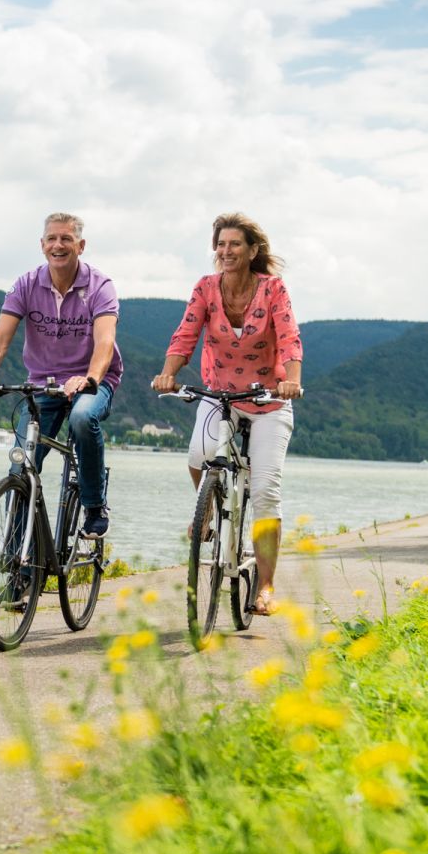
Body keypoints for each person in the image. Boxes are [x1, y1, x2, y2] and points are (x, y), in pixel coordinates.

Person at [151, 212, 303, 615]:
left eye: (235, 244)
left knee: (266, 492)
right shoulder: (205, 288)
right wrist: (168, 373)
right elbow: (185, 334)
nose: (226, 251)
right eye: (221, 244)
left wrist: (291, 379)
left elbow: (289, 339)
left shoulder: (273, 289)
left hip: (269, 398)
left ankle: (265, 587)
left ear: (253, 250)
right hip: (220, 395)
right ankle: (209, 511)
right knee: (198, 456)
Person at [0, 212, 124, 537]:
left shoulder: (100, 286)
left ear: (81, 245)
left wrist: (90, 377)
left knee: (82, 419)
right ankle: (17, 567)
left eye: (66, 238)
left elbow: (105, 340)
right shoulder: (26, 284)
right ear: (42, 245)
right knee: (21, 467)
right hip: (44, 385)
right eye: (51, 238)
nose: (58, 245)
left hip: (93, 381)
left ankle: (94, 506)